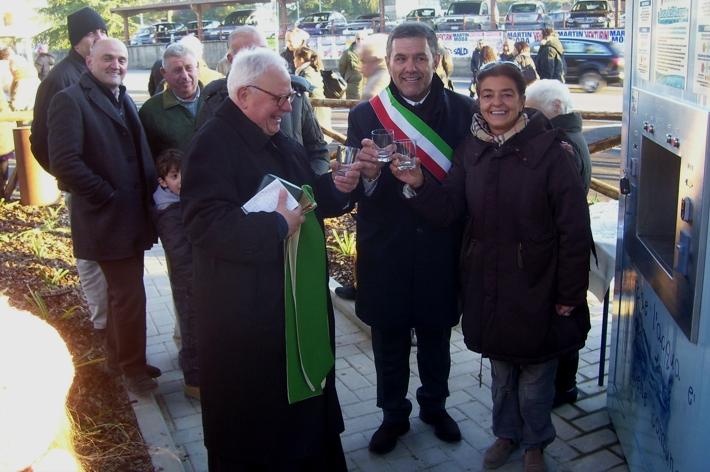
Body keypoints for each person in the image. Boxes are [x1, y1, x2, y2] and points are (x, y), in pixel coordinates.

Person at [390, 62, 592, 472]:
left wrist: (570, 293)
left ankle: (535, 442)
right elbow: (449, 209)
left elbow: (574, 230)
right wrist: (419, 184)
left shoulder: (553, 153)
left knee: (536, 375)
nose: (496, 103)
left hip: (538, 283)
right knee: (501, 370)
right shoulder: (472, 150)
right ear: (478, 101)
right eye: (487, 95)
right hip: (489, 281)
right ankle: (506, 435)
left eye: (506, 94)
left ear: (521, 100)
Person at [181, 47, 360, 471]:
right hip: (250, 315)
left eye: (291, 96)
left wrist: (340, 186)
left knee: (306, 423)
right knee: (262, 434)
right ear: (243, 95)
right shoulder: (211, 145)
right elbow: (204, 226)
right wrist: (276, 226)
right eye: (280, 97)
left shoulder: (274, 135)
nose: (288, 105)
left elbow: (305, 198)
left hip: (294, 303)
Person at [346, 22, 474, 454]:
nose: (410, 67)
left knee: (437, 335)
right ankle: (392, 414)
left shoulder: (463, 111)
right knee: (389, 338)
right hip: (388, 249)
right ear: (389, 61)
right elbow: (359, 188)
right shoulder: (365, 114)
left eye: (420, 57)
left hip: (440, 244)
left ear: (436, 59)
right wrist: (364, 177)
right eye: (401, 58)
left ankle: (435, 406)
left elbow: (465, 187)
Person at [47, 38, 160, 394]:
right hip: (107, 218)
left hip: (130, 216)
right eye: (108, 58)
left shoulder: (120, 94)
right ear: (89, 60)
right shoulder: (70, 100)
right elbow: (65, 163)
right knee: (129, 295)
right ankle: (132, 369)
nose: (117, 64)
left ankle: (119, 359)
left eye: (122, 59)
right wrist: (108, 195)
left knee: (121, 295)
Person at [30, 6, 110, 336]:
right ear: (77, 40)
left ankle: (112, 321)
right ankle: (102, 325)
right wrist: (69, 175)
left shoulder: (101, 69)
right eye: (92, 33)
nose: (99, 38)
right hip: (82, 187)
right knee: (90, 257)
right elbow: (40, 140)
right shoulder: (59, 79)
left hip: (103, 184)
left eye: (102, 32)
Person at [197, 26, 329, 175]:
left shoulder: (295, 96)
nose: (286, 106)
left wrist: (307, 190)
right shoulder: (214, 102)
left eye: (264, 52)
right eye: (251, 54)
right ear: (231, 59)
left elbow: (318, 152)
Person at [152, 149, 199, 400]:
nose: (181, 180)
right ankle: (194, 382)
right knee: (191, 329)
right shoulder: (168, 212)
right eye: (174, 176)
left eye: (184, 174)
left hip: (197, 278)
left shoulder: (183, 201)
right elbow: (179, 252)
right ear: (163, 182)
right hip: (188, 282)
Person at [526, 79, 591, 194]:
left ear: (557, 106)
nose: (529, 118)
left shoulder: (559, 140)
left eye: (534, 111)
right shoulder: (571, 132)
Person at [139, 43, 203, 157]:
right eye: (177, 70)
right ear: (164, 73)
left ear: (197, 67)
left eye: (189, 68)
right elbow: (146, 157)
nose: (185, 76)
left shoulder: (216, 100)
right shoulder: (150, 111)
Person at [294, 46, 332, 138]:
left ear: (301, 59)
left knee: (317, 139)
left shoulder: (306, 72)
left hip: (315, 112)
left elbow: (305, 92)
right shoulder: (312, 69)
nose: (293, 60)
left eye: (294, 57)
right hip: (320, 110)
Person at [359, 34, 389, 100]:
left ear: (375, 60)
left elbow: (366, 108)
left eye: (364, 61)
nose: (360, 69)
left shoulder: (374, 85)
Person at [339, 31, 366, 99]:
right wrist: (349, 78)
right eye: (358, 39)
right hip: (353, 87)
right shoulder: (347, 53)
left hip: (366, 86)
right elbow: (341, 67)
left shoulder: (370, 52)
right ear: (355, 39)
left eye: (362, 39)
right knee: (354, 107)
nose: (360, 41)